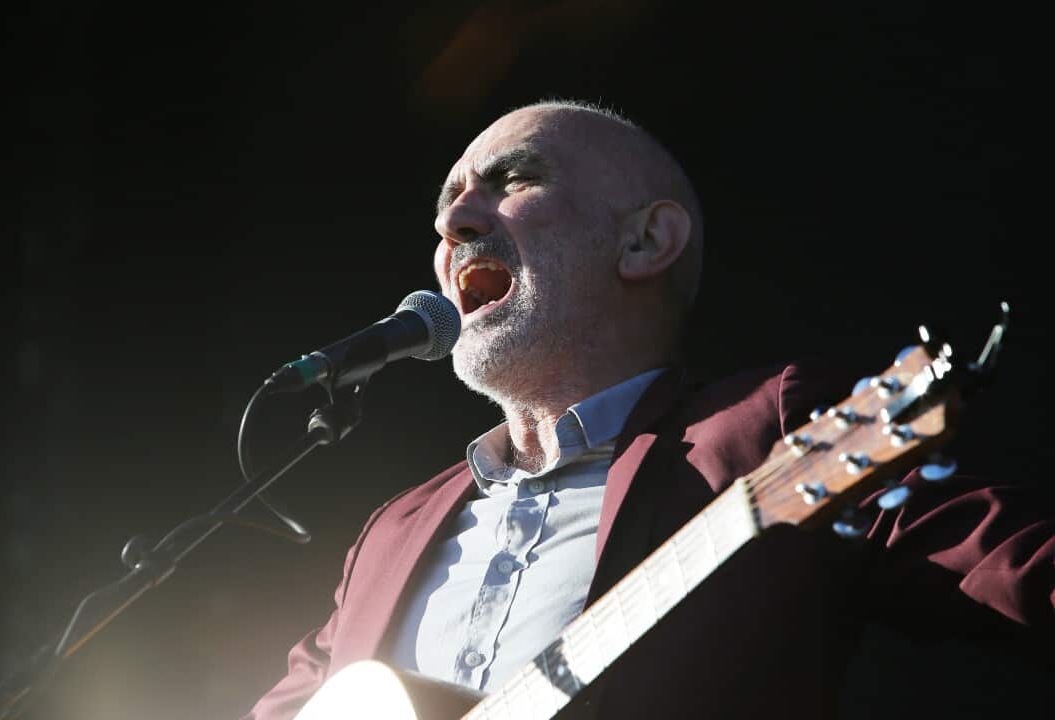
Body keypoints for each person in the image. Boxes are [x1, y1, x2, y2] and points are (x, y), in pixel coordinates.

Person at [242, 100, 1053, 719]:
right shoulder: (392, 531)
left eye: (511, 180)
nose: (454, 222)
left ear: (645, 243)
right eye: (447, 204)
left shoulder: (774, 431)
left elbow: (1017, 569)